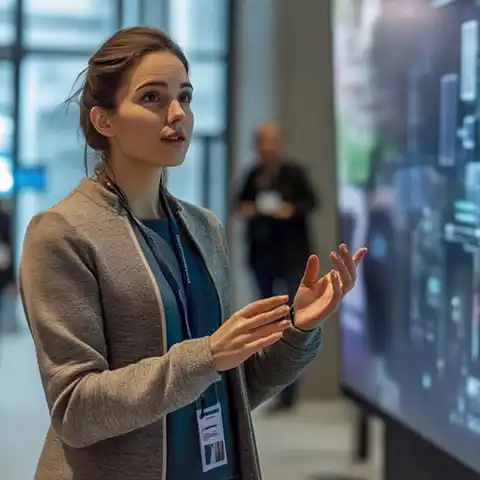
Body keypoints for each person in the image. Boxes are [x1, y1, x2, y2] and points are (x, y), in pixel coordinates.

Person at [19, 27, 367, 480]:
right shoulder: (62, 233)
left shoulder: (203, 228)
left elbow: (232, 390)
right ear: (104, 121)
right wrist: (205, 356)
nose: (177, 113)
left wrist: (298, 329)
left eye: (184, 95)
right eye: (152, 98)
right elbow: (76, 410)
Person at [235, 122, 318, 411]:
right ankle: (268, 386)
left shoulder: (293, 174)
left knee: (295, 321)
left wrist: (289, 210)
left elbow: (311, 202)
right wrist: (251, 210)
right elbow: (239, 204)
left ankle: (289, 392)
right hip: (262, 256)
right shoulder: (253, 175)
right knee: (267, 322)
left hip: (292, 256)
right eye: (262, 142)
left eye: (272, 141)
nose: (267, 147)